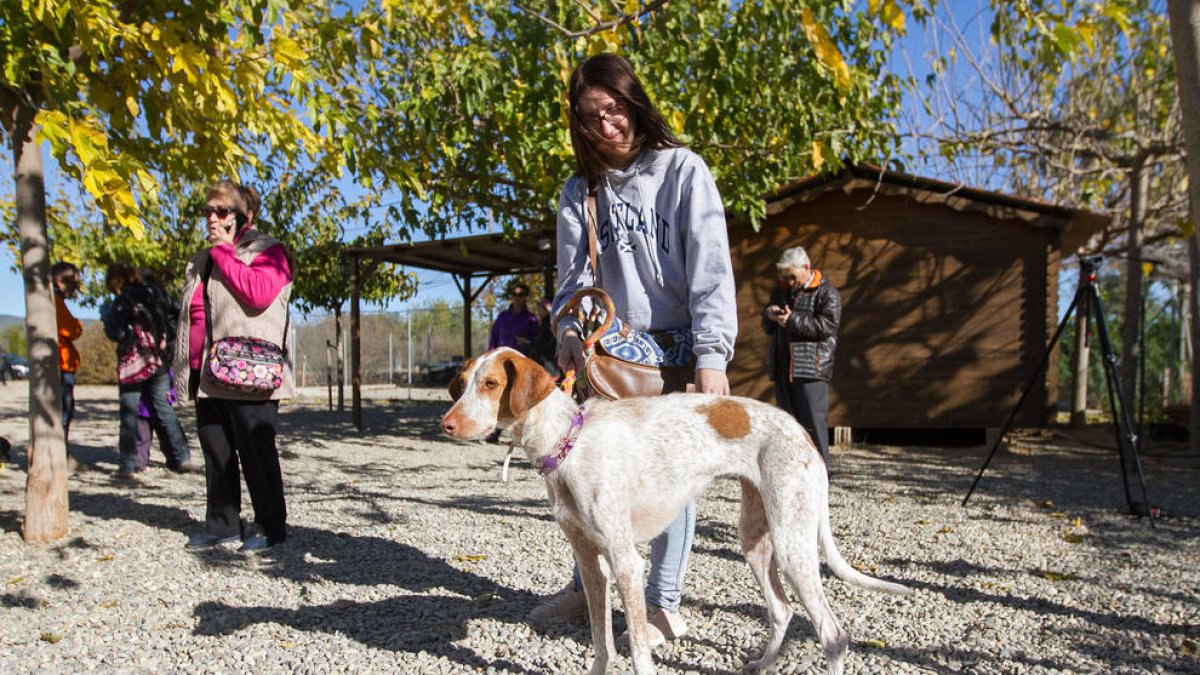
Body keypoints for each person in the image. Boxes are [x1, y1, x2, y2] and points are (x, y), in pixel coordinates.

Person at [538, 53, 738, 647]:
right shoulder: (580, 192)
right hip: (607, 360)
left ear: (633, 101)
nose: (607, 125)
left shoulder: (683, 171)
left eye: (614, 108)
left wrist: (712, 357)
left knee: (669, 475)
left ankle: (660, 604)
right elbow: (570, 283)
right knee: (585, 472)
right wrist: (568, 333)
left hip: (677, 354)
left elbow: (711, 268)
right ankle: (588, 585)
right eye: (590, 116)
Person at [174, 179, 294, 553]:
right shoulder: (200, 258)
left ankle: (271, 525)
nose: (212, 217)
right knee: (216, 452)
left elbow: (258, 293)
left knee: (256, 452)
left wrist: (225, 252)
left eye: (222, 211)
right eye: (208, 210)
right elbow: (187, 315)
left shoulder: (270, 251)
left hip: (249, 372)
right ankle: (222, 524)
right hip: (206, 374)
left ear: (246, 216)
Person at [101, 262, 195, 478]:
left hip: (133, 363)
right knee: (163, 408)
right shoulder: (157, 292)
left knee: (130, 413)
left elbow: (116, 332)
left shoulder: (122, 300)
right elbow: (175, 316)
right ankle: (182, 455)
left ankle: (128, 464)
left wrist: (108, 317)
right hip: (158, 360)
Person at [762, 245, 841, 469]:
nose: (789, 281)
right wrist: (769, 314)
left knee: (815, 425)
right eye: (785, 277)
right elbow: (768, 328)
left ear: (806, 267)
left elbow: (827, 326)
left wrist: (792, 320)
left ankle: (822, 475)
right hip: (783, 369)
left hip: (811, 370)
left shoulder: (827, 293)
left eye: (792, 276)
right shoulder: (781, 291)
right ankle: (796, 473)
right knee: (788, 426)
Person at [51, 262, 83, 446]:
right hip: (62, 366)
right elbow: (72, 330)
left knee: (65, 410)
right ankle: (60, 452)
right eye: (74, 284)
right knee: (64, 411)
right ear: (59, 281)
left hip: (63, 365)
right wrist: (77, 324)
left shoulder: (56, 302)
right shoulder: (55, 302)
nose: (75, 289)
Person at [488, 282, 540, 355]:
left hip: (521, 360)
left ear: (526, 297)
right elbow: (493, 339)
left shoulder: (532, 319)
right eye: (514, 295)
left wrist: (526, 342)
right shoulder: (502, 316)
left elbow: (536, 344)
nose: (516, 298)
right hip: (501, 358)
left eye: (520, 295)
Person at [528, 296, 559, 376]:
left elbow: (543, 345)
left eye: (539, 309)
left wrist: (527, 342)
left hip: (548, 363)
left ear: (546, 309)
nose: (538, 312)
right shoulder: (546, 323)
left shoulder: (548, 324)